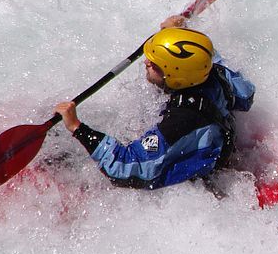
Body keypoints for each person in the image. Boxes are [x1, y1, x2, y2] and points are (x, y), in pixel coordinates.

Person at [55, 16, 254, 189]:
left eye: (156, 64)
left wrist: (77, 127)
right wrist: (180, 34)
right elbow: (246, 94)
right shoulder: (213, 73)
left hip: (201, 178)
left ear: (175, 77)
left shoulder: (181, 120)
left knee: (65, 160)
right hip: (216, 143)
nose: (146, 62)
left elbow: (124, 168)